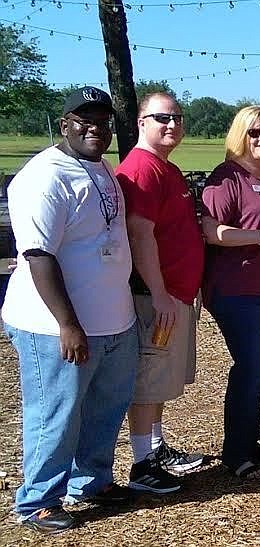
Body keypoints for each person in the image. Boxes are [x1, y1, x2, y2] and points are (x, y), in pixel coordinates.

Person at [1, 87, 138, 533]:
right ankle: (38, 500)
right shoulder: (45, 176)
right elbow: (38, 254)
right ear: (64, 125)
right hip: (55, 325)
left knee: (104, 408)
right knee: (56, 412)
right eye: (84, 121)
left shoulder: (101, 169)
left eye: (103, 121)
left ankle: (92, 481)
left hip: (113, 321)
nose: (95, 129)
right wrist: (67, 324)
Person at [200, 106, 260, 478]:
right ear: (241, 134)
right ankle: (236, 452)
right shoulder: (227, 178)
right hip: (240, 290)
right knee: (251, 369)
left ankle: (250, 445)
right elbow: (213, 232)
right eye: (255, 132)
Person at [116, 92, 205, 494]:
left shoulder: (164, 167)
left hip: (174, 294)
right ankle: (142, 465)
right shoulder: (142, 168)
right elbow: (139, 233)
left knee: (161, 378)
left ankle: (155, 448)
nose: (172, 125)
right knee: (149, 379)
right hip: (156, 297)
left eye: (177, 118)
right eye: (161, 118)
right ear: (141, 122)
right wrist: (159, 293)